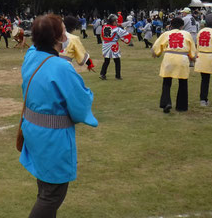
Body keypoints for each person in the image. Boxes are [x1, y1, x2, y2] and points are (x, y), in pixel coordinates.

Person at [19, 14, 98, 217]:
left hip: (33, 131)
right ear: (57, 37)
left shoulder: (31, 56)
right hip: (53, 137)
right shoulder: (62, 67)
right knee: (52, 195)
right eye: (62, 30)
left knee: (45, 186)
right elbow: (80, 107)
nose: (65, 34)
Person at [152, 18, 197, 113]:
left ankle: (166, 103)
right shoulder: (187, 34)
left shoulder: (166, 34)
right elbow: (192, 49)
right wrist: (193, 58)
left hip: (169, 57)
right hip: (182, 58)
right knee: (183, 82)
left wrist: (156, 53)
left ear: (171, 25)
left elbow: (156, 46)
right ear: (182, 26)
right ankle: (181, 106)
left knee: (167, 81)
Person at [99, 14, 132, 80]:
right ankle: (118, 75)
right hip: (113, 45)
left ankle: (102, 74)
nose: (116, 22)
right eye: (115, 21)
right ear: (113, 21)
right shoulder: (116, 29)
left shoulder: (104, 27)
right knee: (117, 61)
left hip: (105, 44)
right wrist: (130, 36)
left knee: (106, 60)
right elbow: (124, 33)